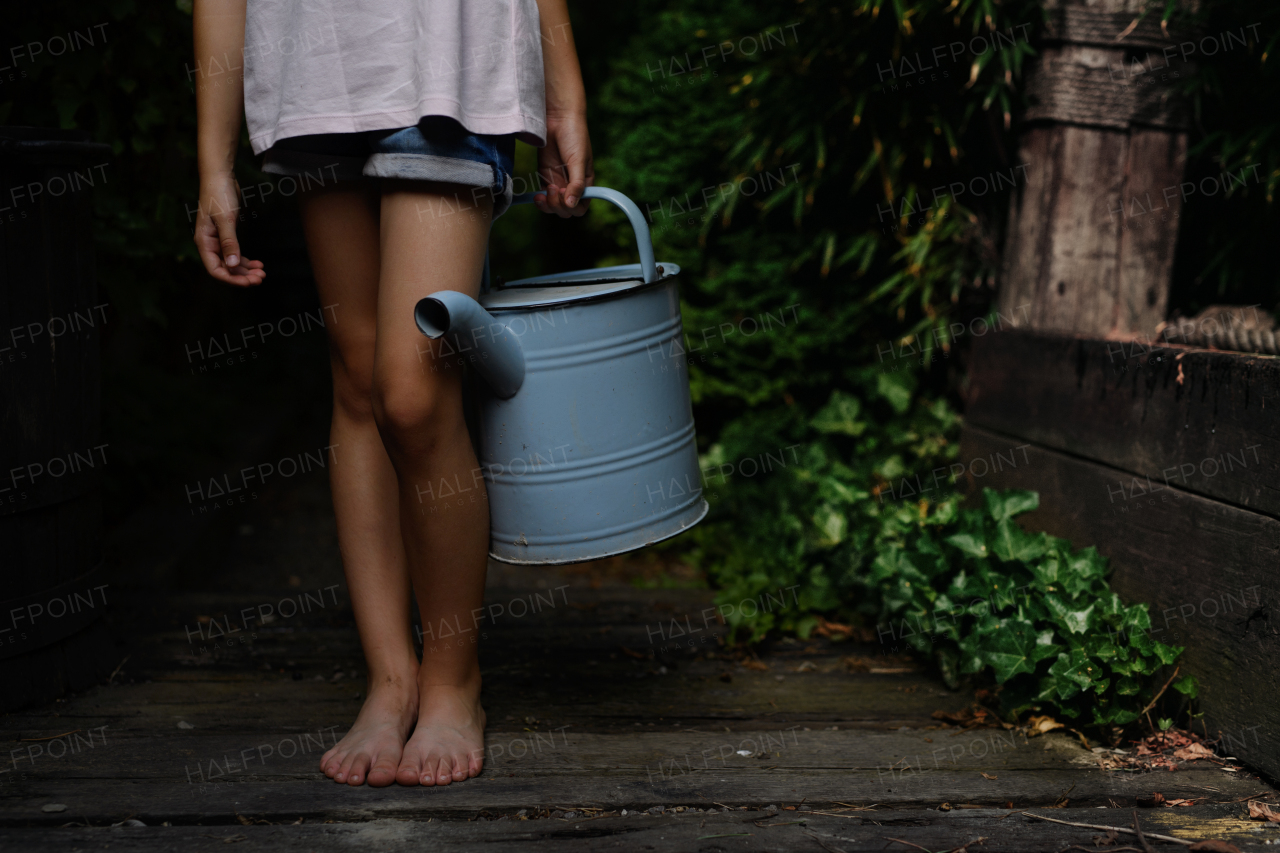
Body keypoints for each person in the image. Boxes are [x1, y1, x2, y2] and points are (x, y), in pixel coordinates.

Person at [191, 0, 592, 788]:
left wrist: (565, 96)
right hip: (314, 73)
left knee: (413, 389)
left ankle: (453, 681)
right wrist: (212, 161)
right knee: (359, 377)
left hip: (452, 67)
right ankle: (391, 679)